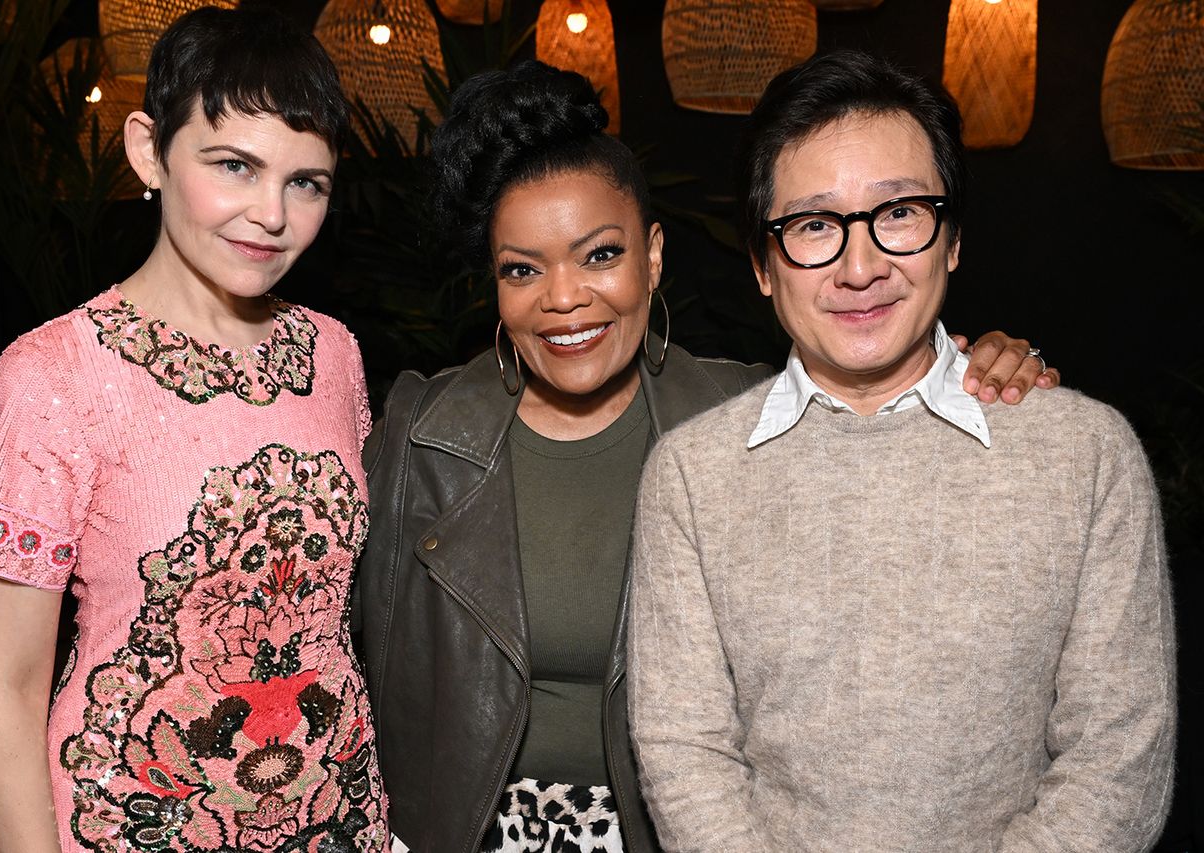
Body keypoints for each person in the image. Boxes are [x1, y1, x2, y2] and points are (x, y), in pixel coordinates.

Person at [356, 60, 1056, 853]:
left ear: (652, 257)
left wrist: (995, 369)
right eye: (523, 268)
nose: (563, 297)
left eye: (599, 255)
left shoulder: (752, 419)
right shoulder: (421, 435)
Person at [627, 49, 1176, 851]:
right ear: (762, 266)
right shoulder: (692, 475)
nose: (861, 267)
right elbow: (686, 754)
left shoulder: (1085, 456)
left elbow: (1119, 758)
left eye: (900, 213)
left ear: (951, 240)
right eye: (814, 225)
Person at [0, 8, 388, 852]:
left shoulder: (334, 354)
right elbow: (5, 685)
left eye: (307, 182)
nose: (272, 213)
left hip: (335, 818)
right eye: (234, 166)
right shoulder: (51, 376)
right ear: (149, 149)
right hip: (134, 821)